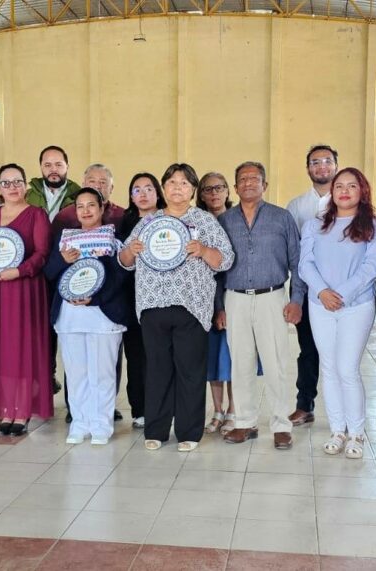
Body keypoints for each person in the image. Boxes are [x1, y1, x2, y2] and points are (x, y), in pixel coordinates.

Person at [120, 163, 234, 452]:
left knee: (191, 371)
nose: (177, 188)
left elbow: (227, 259)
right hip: (152, 306)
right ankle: (156, 429)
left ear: (193, 189)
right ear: (164, 188)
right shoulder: (148, 222)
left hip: (192, 306)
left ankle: (189, 432)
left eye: (184, 183)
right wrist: (129, 252)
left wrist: (205, 251)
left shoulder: (205, 221)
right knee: (157, 369)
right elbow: (124, 261)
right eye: (171, 182)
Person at [298, 167, 376, 460]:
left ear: (362, 190)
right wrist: (323, 292)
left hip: (356, 305)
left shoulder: (375, 224)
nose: (345, 191)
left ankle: (357, 433)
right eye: (339, 186)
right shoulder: (315, 226)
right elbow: (305, 264)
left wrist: (343, 293)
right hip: (319, 304)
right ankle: (337, 430)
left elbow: (373, 266)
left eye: (352, 186)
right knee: (328, 367)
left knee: (347, 368)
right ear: (332, 192)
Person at [218, 162, 305, 450]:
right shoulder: (225, 221)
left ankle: (281, 425)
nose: (248, 183)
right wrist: (220, 307)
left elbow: (298, 261)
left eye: (254, 179)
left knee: (276, 362)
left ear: (265, 185)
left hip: (272, 297)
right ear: (235, 186)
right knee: (240, 363)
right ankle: (244, 423)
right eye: (242, 179)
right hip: (235, 298)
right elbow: (217, 268)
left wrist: (296, 300)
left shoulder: (282, 218)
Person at [46, 188, 131, 445]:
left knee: (102, 373)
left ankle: (101, 425)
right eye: (80, 206)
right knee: (76, 372)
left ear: (102, 208)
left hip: (103, 315)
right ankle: (80, 423)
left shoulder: (114, 240)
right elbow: (49, 273)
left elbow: (121, 277)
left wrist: (94, 297)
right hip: (70, 316)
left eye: (91, 205)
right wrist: (62, 260)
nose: (85, 211)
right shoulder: (65, 241)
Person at [0, 163, 53, 435]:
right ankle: (5, 408)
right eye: (6, 183)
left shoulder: (36, 214)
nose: (12, 187)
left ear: (25, 185)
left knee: (19, 349)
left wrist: (18, 271)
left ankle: (21, 411)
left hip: (22, 289)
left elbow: (42, 254)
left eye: (17, 181)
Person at [285, 145, 337, 427]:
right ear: (308, 169)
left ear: (336, 166)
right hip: (308, 291)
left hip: (342, 292)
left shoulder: (349, 200)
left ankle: (344, 411)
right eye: (315, 162)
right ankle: (305, 405)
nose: (322, 167)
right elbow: (294, 257)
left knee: (342, 353)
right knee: (309, 350)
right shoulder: (296, 206)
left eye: (327, 161)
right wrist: (296, 297)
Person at [117, 173, 167, 429]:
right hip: (132, 300)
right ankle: (140, 409)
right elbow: (119, 260)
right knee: (136, 357)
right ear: (131, 196)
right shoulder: (124, 223)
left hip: (163, 298)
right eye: (137, 189)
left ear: (158, 192)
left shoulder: (169, 218)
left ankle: (164, 408)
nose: (143, 194)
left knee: (161, 356)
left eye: (149, 188)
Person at [196, 172, 237, 435]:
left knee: (233, 358)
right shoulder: (198, 222)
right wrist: (214, 305)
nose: (214, 193)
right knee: (212, 360)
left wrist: (223, 305)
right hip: (206, 299)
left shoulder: (235, 219)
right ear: (200, 194)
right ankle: (218, 410)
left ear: (227, 191)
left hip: (234, 296)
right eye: (208, 189)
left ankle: (234, 411)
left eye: (219, 188)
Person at [51, 164, 126, 233]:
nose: (97, 186)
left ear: (111, 188)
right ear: (83, 186)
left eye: (102, 182)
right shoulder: (65, 216)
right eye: (92, 181)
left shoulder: (123, 216)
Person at [26, 145, 81, 222]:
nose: (53, 169)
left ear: (67, 166)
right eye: (47, 165)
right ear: (41, 167)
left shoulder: (79, 195)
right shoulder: (27, 196)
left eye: (58, 164)